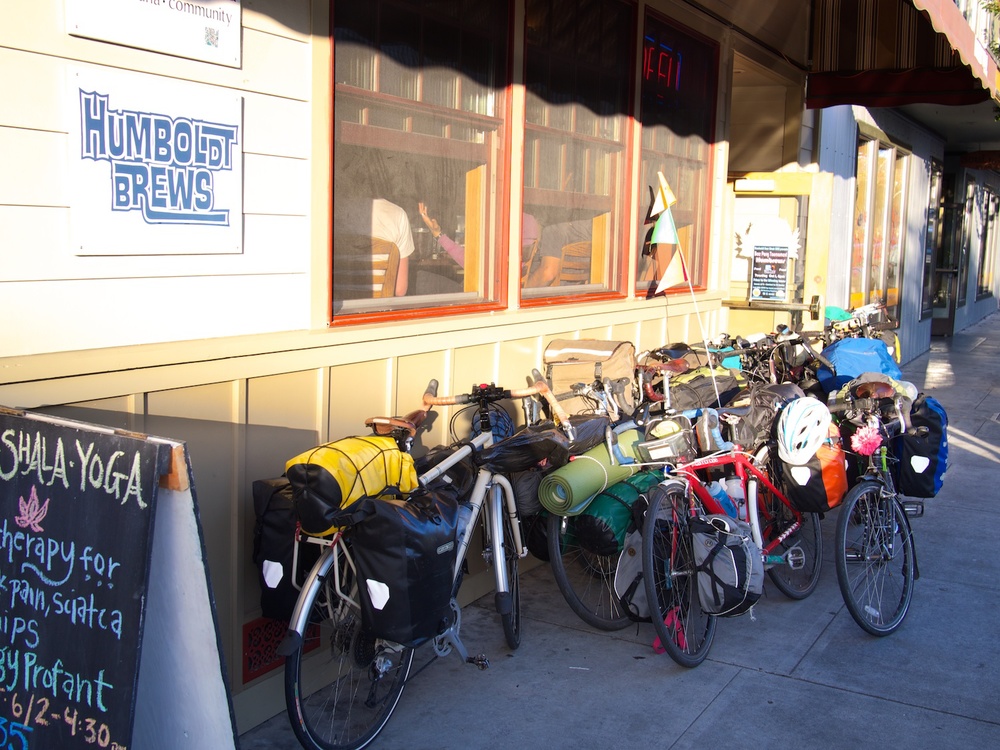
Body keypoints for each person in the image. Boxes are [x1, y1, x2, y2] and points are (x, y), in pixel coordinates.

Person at [418, 203, 540, 278]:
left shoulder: (506, 222)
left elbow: (472, 263)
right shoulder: (528, 220)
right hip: (494, 290)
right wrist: (438, 234)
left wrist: (439, 235)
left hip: (491, 295)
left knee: (423, 278)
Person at [338, 197, 415, 296]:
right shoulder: (398, 214)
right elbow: (400, 290)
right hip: (378, 308)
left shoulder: (336, 210)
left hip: (338, 307)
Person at [523, 217, 592, 287]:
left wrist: (523, 293)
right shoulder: (591, 229)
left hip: (545, 293)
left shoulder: (554, 230)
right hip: (576, 291)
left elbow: (547, 274)